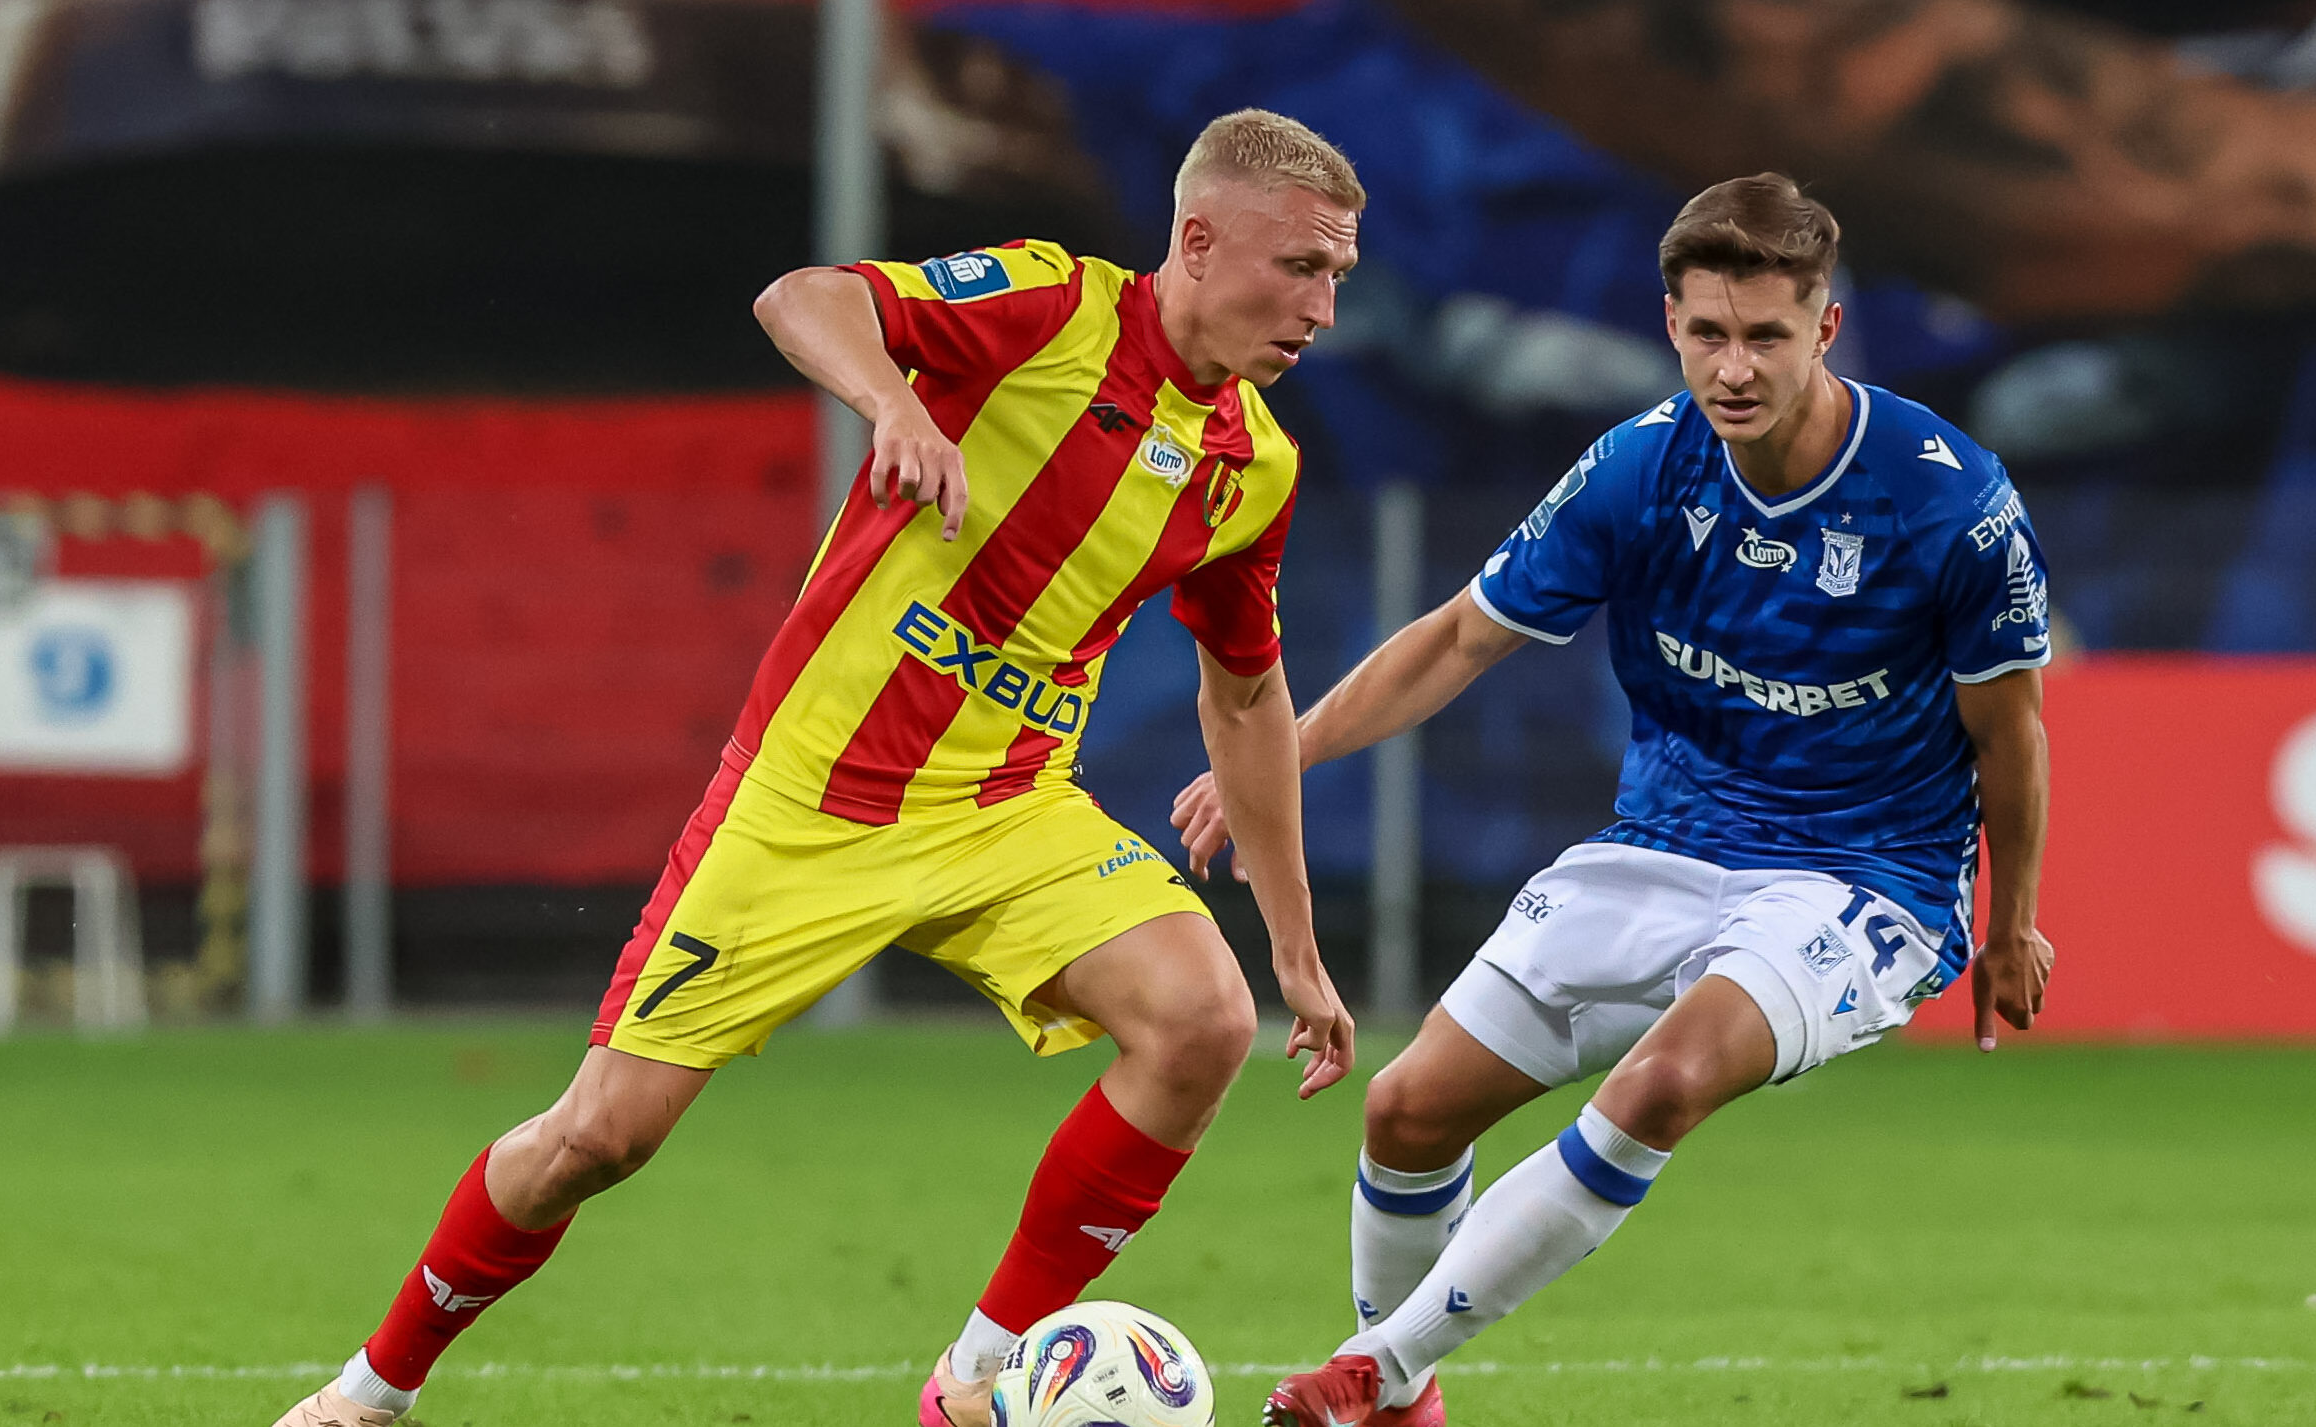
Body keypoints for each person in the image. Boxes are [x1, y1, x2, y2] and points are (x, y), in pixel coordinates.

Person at [270, 108, 1364, 1427]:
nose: (1322, 308)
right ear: (1197, 241)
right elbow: (803, 297)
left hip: (1004, 805)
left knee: (1200, 1015)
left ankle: (976, 1376)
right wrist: (897, 405)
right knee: (597, 1137)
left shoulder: (1255, 465)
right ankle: (369, 1389)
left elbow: (1244, 694)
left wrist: (1294, 948)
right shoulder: (1052, 308)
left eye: (1338, 279)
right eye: (1300, 268)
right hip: (810, 798)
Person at [1169, 173, 2057, 1427]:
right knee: (1405, 1108)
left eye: (1765, 335)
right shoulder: (1639, 470)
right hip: (1665, 840)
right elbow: (1458, 639)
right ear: (1670, 323)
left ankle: (1369, 1373)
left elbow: (2008, 728)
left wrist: (2009, 919)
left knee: (1659, 1081)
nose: (1732, 367)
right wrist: (1283, 751)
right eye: (1706, 333)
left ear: (1825, 328)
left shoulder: (1946, 497)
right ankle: (1398, 1391)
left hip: (1868, 875)